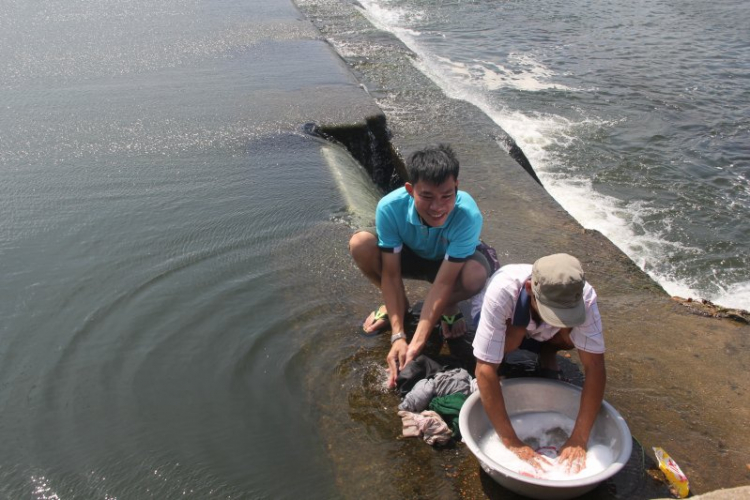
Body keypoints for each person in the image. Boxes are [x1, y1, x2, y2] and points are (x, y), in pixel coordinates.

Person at [348, 144, 491, 388]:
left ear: (457, 186)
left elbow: (444, 282)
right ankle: (397, 305)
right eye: (426, 196)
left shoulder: (468, 215)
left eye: (447, 196)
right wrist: (398, 335)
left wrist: (415, 345)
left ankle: (449, 306)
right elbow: (391, 274)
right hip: (410, 256)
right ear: (410, 189)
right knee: (360, 243)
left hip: (447, 264)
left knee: (476, 274)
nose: (437, 207)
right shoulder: (390, 207)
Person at [471, 253, 606, 474]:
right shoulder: (504, 290)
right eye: (555, 313)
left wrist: (579, 438)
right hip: (502, 322)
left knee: (574, 337)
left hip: (541, 331)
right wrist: (511, 441)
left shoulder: (584, 295)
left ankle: (547, 353)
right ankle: (507, 354)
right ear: (528, 289)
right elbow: (484, 368)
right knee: (502, 349)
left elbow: (595, 366)